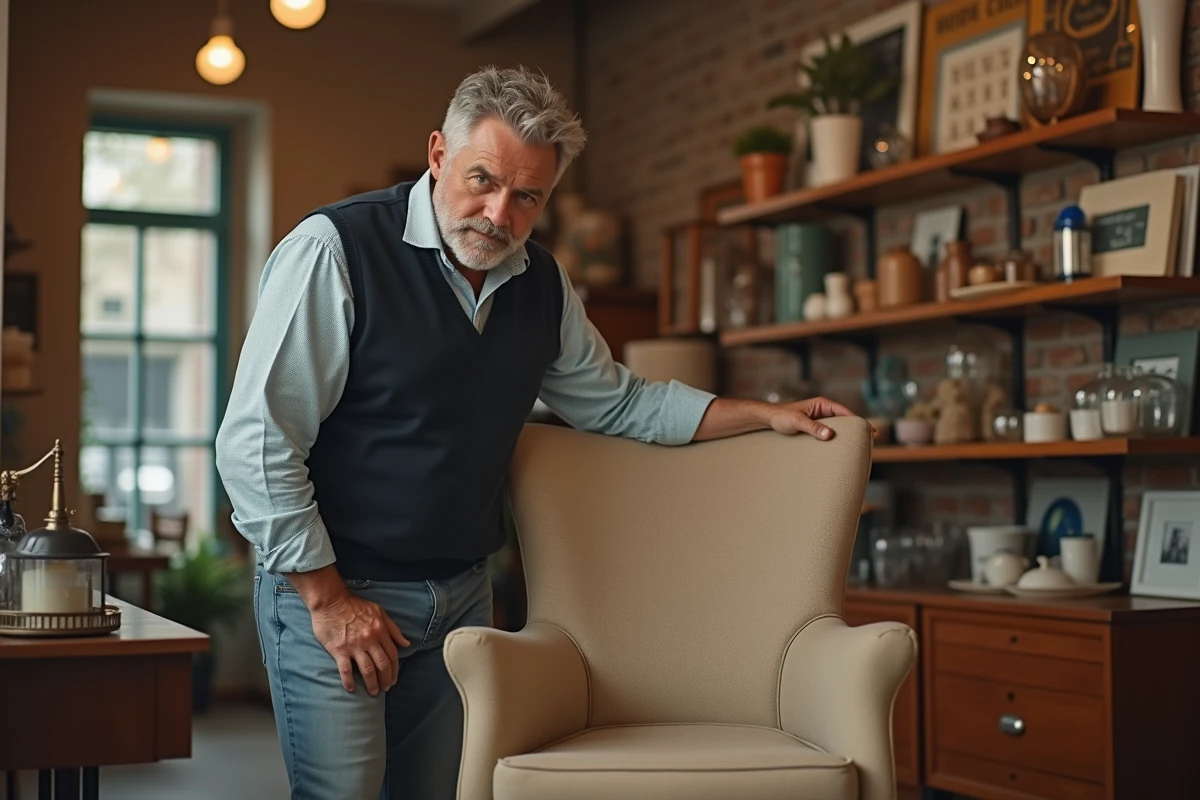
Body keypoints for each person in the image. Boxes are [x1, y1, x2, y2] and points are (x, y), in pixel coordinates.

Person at [214, 64, 858, 800]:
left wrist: (762, 415)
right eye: (482, 180)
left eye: (527, 197)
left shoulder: (542, 283)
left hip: (460, 599)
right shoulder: (335, 250)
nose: (498, 214)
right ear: (437, 154)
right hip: (335, 588)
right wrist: (329, 601)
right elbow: (256, 444)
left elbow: (617, 403)